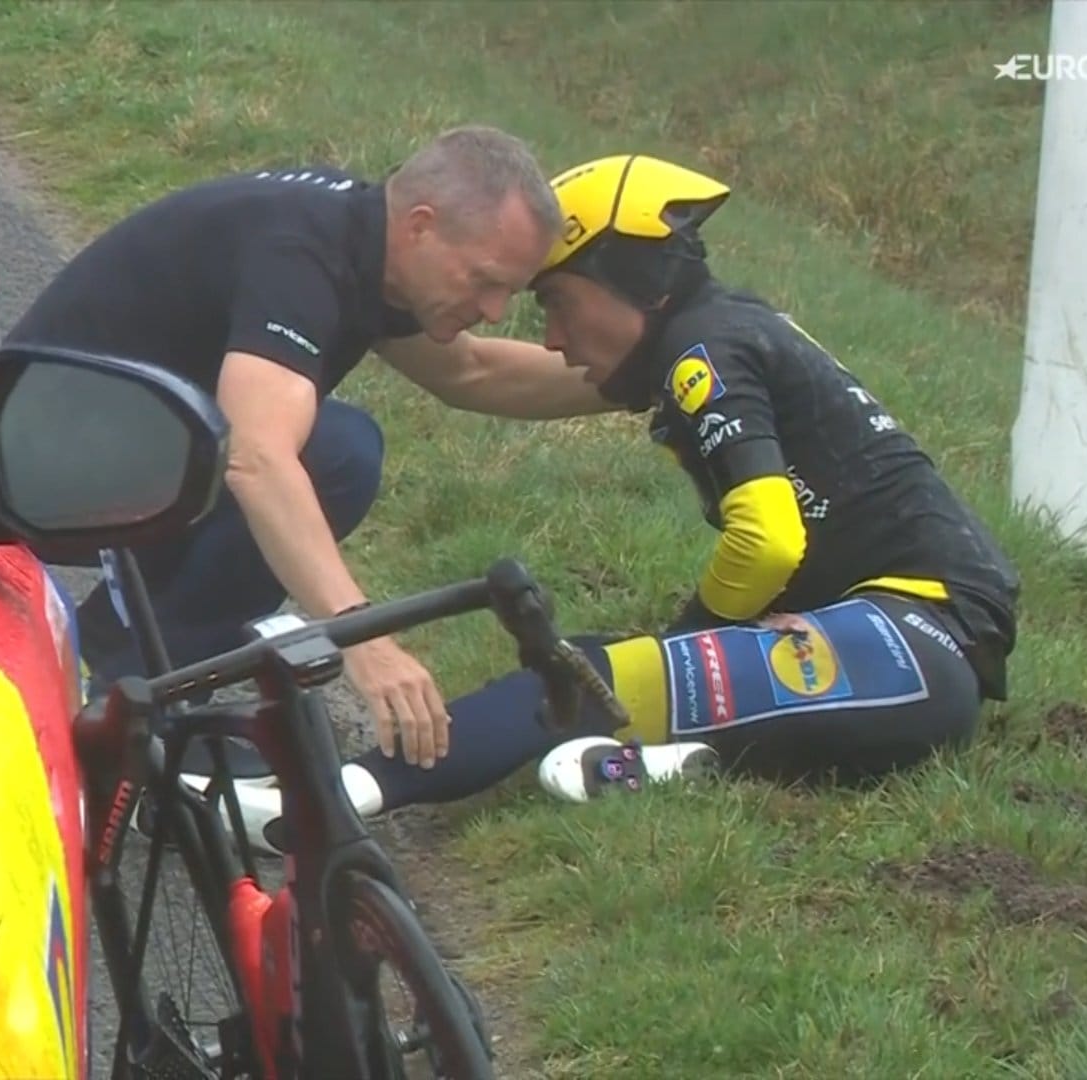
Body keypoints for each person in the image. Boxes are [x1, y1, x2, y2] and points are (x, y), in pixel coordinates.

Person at [192, 153, 1022, 856]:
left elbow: (768, 537)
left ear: (630, 282)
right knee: (643, 698)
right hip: (915, 658)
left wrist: (692, 638)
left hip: (910, 644)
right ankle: (657, 765)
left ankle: (323, 803)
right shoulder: (731, 328)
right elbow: (477, 375)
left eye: (556, 302)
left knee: (583, 674)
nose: (551, 337)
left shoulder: (708, 352)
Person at [0, 126, 616, 767]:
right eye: (485, 281)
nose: (495, 308)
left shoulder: (366, 241)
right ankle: (120, 694)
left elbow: (472, 372)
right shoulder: (301, 255)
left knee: (337, 449)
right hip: (25, 466)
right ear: (421, 225)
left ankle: (120, 673)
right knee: (334, 457)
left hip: (97, 437)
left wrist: (635, 374)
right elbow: (257, 457)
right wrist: (365, 642)